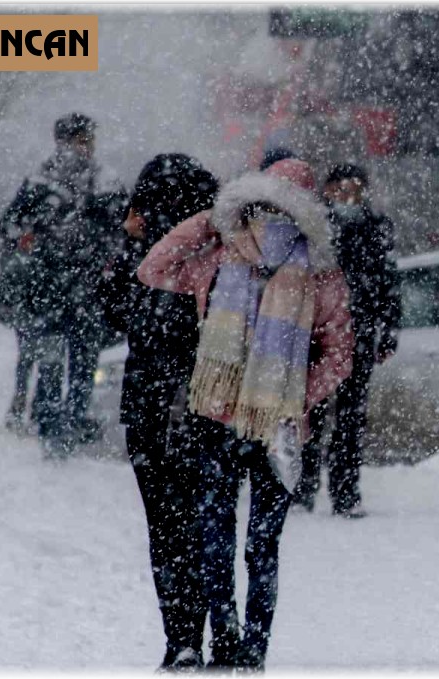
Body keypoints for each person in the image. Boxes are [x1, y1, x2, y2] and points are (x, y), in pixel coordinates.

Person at [138, 158, 353, 670]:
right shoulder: (322, 274)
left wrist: (211, 220)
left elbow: (153, 266)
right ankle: (253, 648)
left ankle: (227, 639)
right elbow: (340, 355)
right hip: (280, 429)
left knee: (216, 535)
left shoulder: (219, 256)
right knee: (263, 544)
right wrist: (294, 397)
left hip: (216, 418)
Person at [98, 154, 218, 670]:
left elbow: (108, 310)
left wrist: (126, 240)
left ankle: (181, 635)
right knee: (204, 523)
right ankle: (215, 630)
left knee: (166, 529)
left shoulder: (146, 259)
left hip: (150, 406)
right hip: (204, 403)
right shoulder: (215, 251)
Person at [0, 113, 128, 455]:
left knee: (71, 360)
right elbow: (9, 226)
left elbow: (121, 231)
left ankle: (58, 422)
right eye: (82, 140)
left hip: (68, 290)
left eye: (87, 140)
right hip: (63, 289)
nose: (85, 147)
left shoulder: (56, 181)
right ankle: (60, 422)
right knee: (67, 360)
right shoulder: (54, 182)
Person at [292, 163, 401, 518]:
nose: (348, 197)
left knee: (351, 418)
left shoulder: (376, 228)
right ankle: (305, 486)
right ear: (328, 191)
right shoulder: (314, 228)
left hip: (359, 333)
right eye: (341, 190)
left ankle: (346, 491)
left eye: (355, 190)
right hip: (318, 336)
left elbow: (389, 281)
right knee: (312, 413)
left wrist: (388, 332)